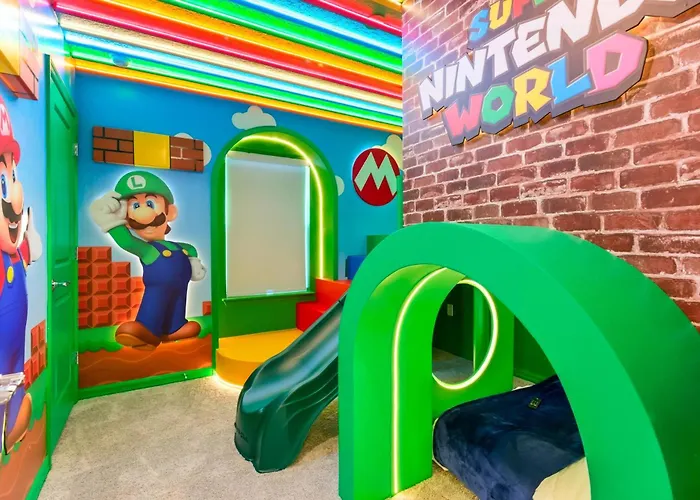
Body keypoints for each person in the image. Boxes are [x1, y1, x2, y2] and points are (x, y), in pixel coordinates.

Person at [89, 171, 206, 350]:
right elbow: (126, 241)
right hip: (157, 287)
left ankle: (175, 327)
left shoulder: (182, 247)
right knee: (155, 302)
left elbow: (190, 250)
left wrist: (194, 261)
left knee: (178, 302)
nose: (144, 214)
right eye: (135, 205)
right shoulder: (148, 249)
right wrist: (106, 217)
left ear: (170, 212)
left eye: (150, 203)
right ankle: (147, 329)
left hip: (181, 287)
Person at [0, 97, 42, 451]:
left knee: (14, 380)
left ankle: (12, 420)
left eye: (11, 176)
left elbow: (35, 251)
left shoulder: (14, 253)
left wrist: (30, 232)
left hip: (13, 365)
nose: (13, 196)